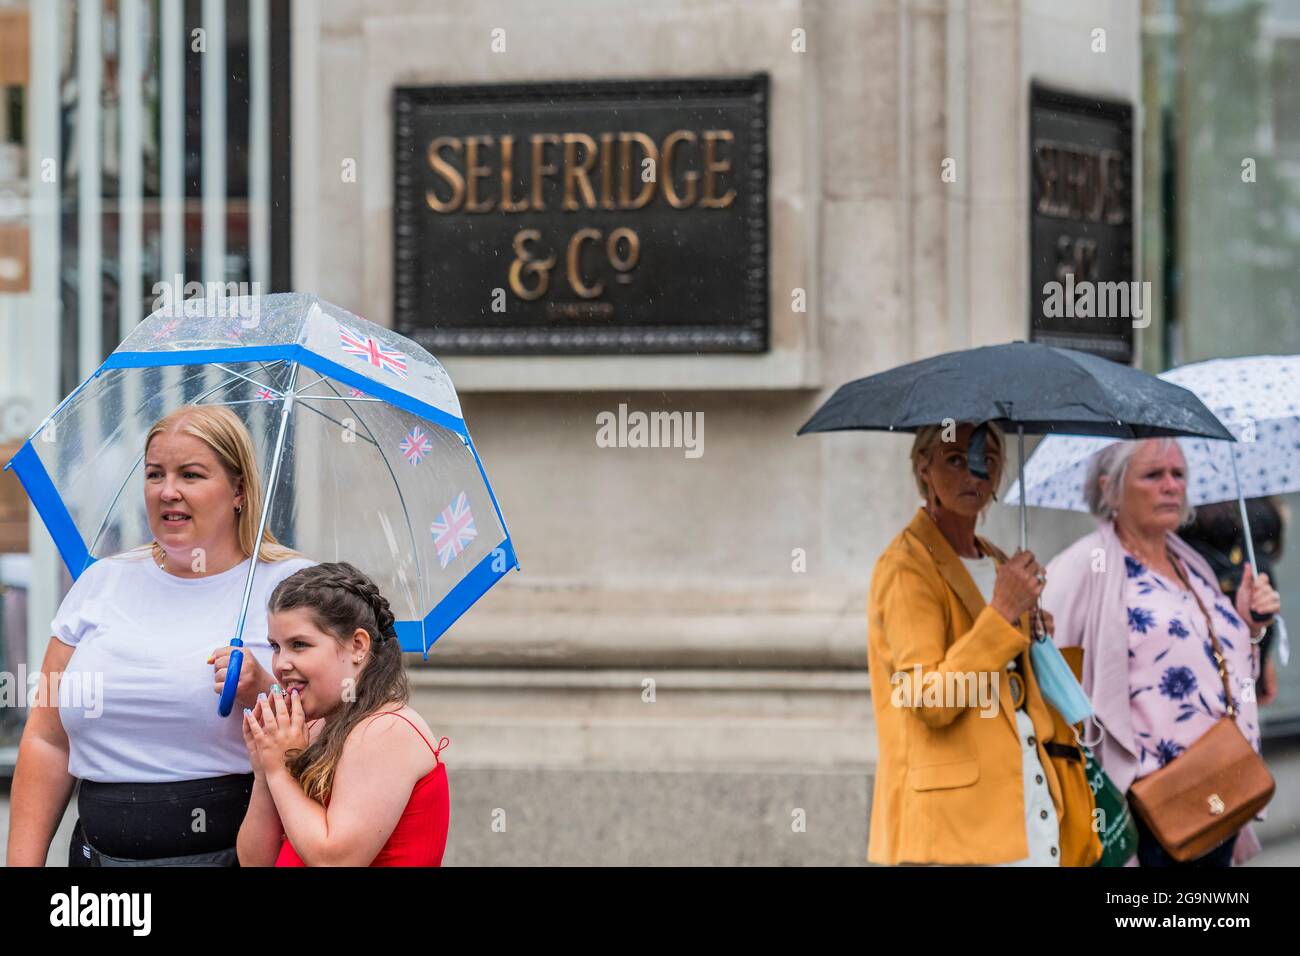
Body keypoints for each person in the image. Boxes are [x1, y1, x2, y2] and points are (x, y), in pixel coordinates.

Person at [5, 405, 315, 866]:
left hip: (235, 854)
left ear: (239, 491)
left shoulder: (293, 586)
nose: (168, 492)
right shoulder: (100, 582)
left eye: (190, 475)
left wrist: (263, 689)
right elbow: (47, 740)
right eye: (155, 475)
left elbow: (335, 727)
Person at [867, 421, 1100, 866]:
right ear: (923, 468)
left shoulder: (995, 559)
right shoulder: (906, 566)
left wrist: (1033, 639)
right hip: (957, 830)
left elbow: (1012, 691)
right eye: (955, 460)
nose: (974, 475)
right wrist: (1001, 615)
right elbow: (930, 699)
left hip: (1026, 805)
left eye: (987, 462)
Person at [1042, 439, 1281, 867]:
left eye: (1178, 474)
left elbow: (1217, 666)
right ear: (1110, 489)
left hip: (1220, 786)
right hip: (1150, 806)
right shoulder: (1084, 566)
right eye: (1153, 475)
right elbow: (1047, 670)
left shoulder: (1191, 562)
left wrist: (1249, 626)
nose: (1171, 486)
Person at [236, 562, 450, 867]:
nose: (281, 664)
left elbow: (335, 862)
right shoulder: (314, 727)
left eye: (299, 645)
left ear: (358, 646)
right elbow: (255, 862)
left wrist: (278, 770)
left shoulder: (386, 730)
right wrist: (263, 771)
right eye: (275, 647)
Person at [1182, 496, 1286, 706]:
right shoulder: (1254, 510)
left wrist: (1259, 647)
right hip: (1232, 655)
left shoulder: (1192, 527)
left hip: (1224, 660)